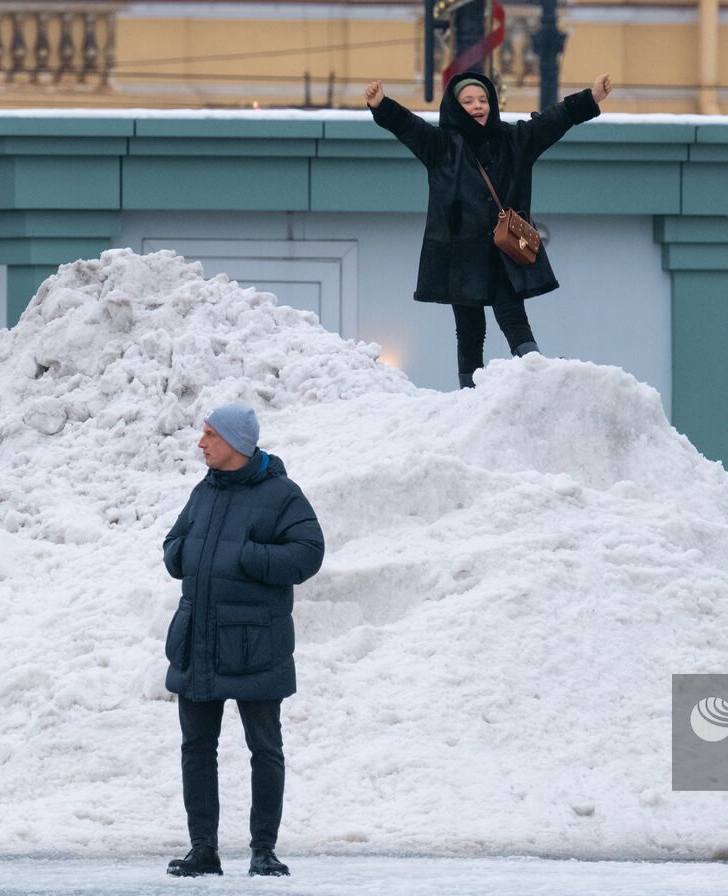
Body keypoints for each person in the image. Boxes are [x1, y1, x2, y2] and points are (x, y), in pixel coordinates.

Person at [365, 71, 613, 388]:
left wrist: (590, 98)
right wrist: (381, 105)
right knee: (469, 327)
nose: (477, 106)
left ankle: (535, 374)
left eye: (483, 100)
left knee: (512, 314)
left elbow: (552, 121)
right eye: (468, 101)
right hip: (460, 254)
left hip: (504, 250)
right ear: (455, 107)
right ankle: (470, 393)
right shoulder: (441, 146)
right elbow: (408, 127)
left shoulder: (514, 140)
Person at [162, 405, 325, 877]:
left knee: (265, 749)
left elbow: (307, 554)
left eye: (210, 434)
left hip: (257, 644)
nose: (201, 443)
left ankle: (263, 851)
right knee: (197, 747)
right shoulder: (204, 491)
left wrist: (248, 558)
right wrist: (182, 555)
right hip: (198, 641)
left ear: (236, 442)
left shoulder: (282, 496)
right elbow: (174, 544)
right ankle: (203, 850)